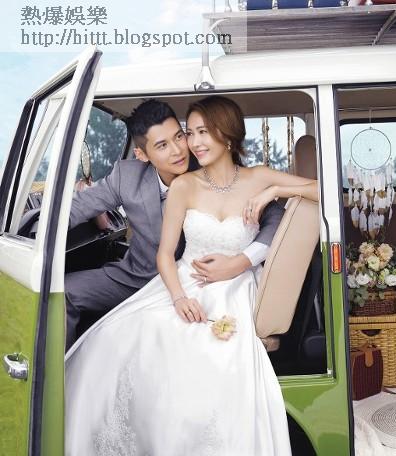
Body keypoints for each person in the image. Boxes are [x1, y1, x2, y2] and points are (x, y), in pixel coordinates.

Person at [65, 95, 318, 455]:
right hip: (162, 278)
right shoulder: (169, 182)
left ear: (226, 135)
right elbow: (158, 250)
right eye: (189, 134)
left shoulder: (256, 178)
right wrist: (179, 297)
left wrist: (274, 194)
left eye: (190, 135)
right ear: (143, 154)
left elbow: (304, 201)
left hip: (231, 284)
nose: (188, 146)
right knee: (112, 338)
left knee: (196, 346)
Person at [65, 100, 284, 349]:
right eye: (162, 145)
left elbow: (274, 217)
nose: (178, 150)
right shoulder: (126, 175)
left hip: (196, 282)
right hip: (136, 277)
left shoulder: (211, 164)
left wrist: (242, 260)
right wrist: (37, 231)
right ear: (142, 155)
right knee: (64, 293)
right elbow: (79, 207)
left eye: (179, 136)